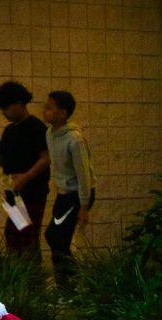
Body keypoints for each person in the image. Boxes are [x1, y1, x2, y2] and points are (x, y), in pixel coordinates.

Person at [0, 81, 50, 256]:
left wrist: (26, 177)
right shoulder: (9, 131)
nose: (4, 113)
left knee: (26, 237)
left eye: (6, 107)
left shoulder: (37, 128)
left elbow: (46, 158)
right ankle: (21, 276)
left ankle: (31, 278)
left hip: (33, 192)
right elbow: (5, 163)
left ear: (19, 103)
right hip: (13, 192)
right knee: (14, 235)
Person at [41, 90, 96, 285]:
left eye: (49, 108)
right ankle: (70, 283)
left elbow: (84, 175)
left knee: (57, 238)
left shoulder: (75, 139)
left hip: (77, 194)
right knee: (55, 237)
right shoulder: (50, 133)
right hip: (64, 194)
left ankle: (70, 284)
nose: (44, 111)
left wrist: (83, 206)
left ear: (63, 113)